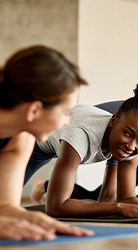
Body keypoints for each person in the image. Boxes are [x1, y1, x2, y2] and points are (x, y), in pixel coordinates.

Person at [24, 79, 138, 219]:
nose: (131, 146)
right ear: (113, 121)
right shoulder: (80, 136)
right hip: (32, 138)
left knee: (123, 147)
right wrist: (118, 207)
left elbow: (126, 197)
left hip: (90, 124)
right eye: (127, 133)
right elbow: (55, 207)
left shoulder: (132, 144)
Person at [0, 45, 94, 240]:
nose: (67, 121)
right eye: (66, 112)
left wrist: (34, 218)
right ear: (34, 110)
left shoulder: (21, 138)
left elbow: (4, 206)